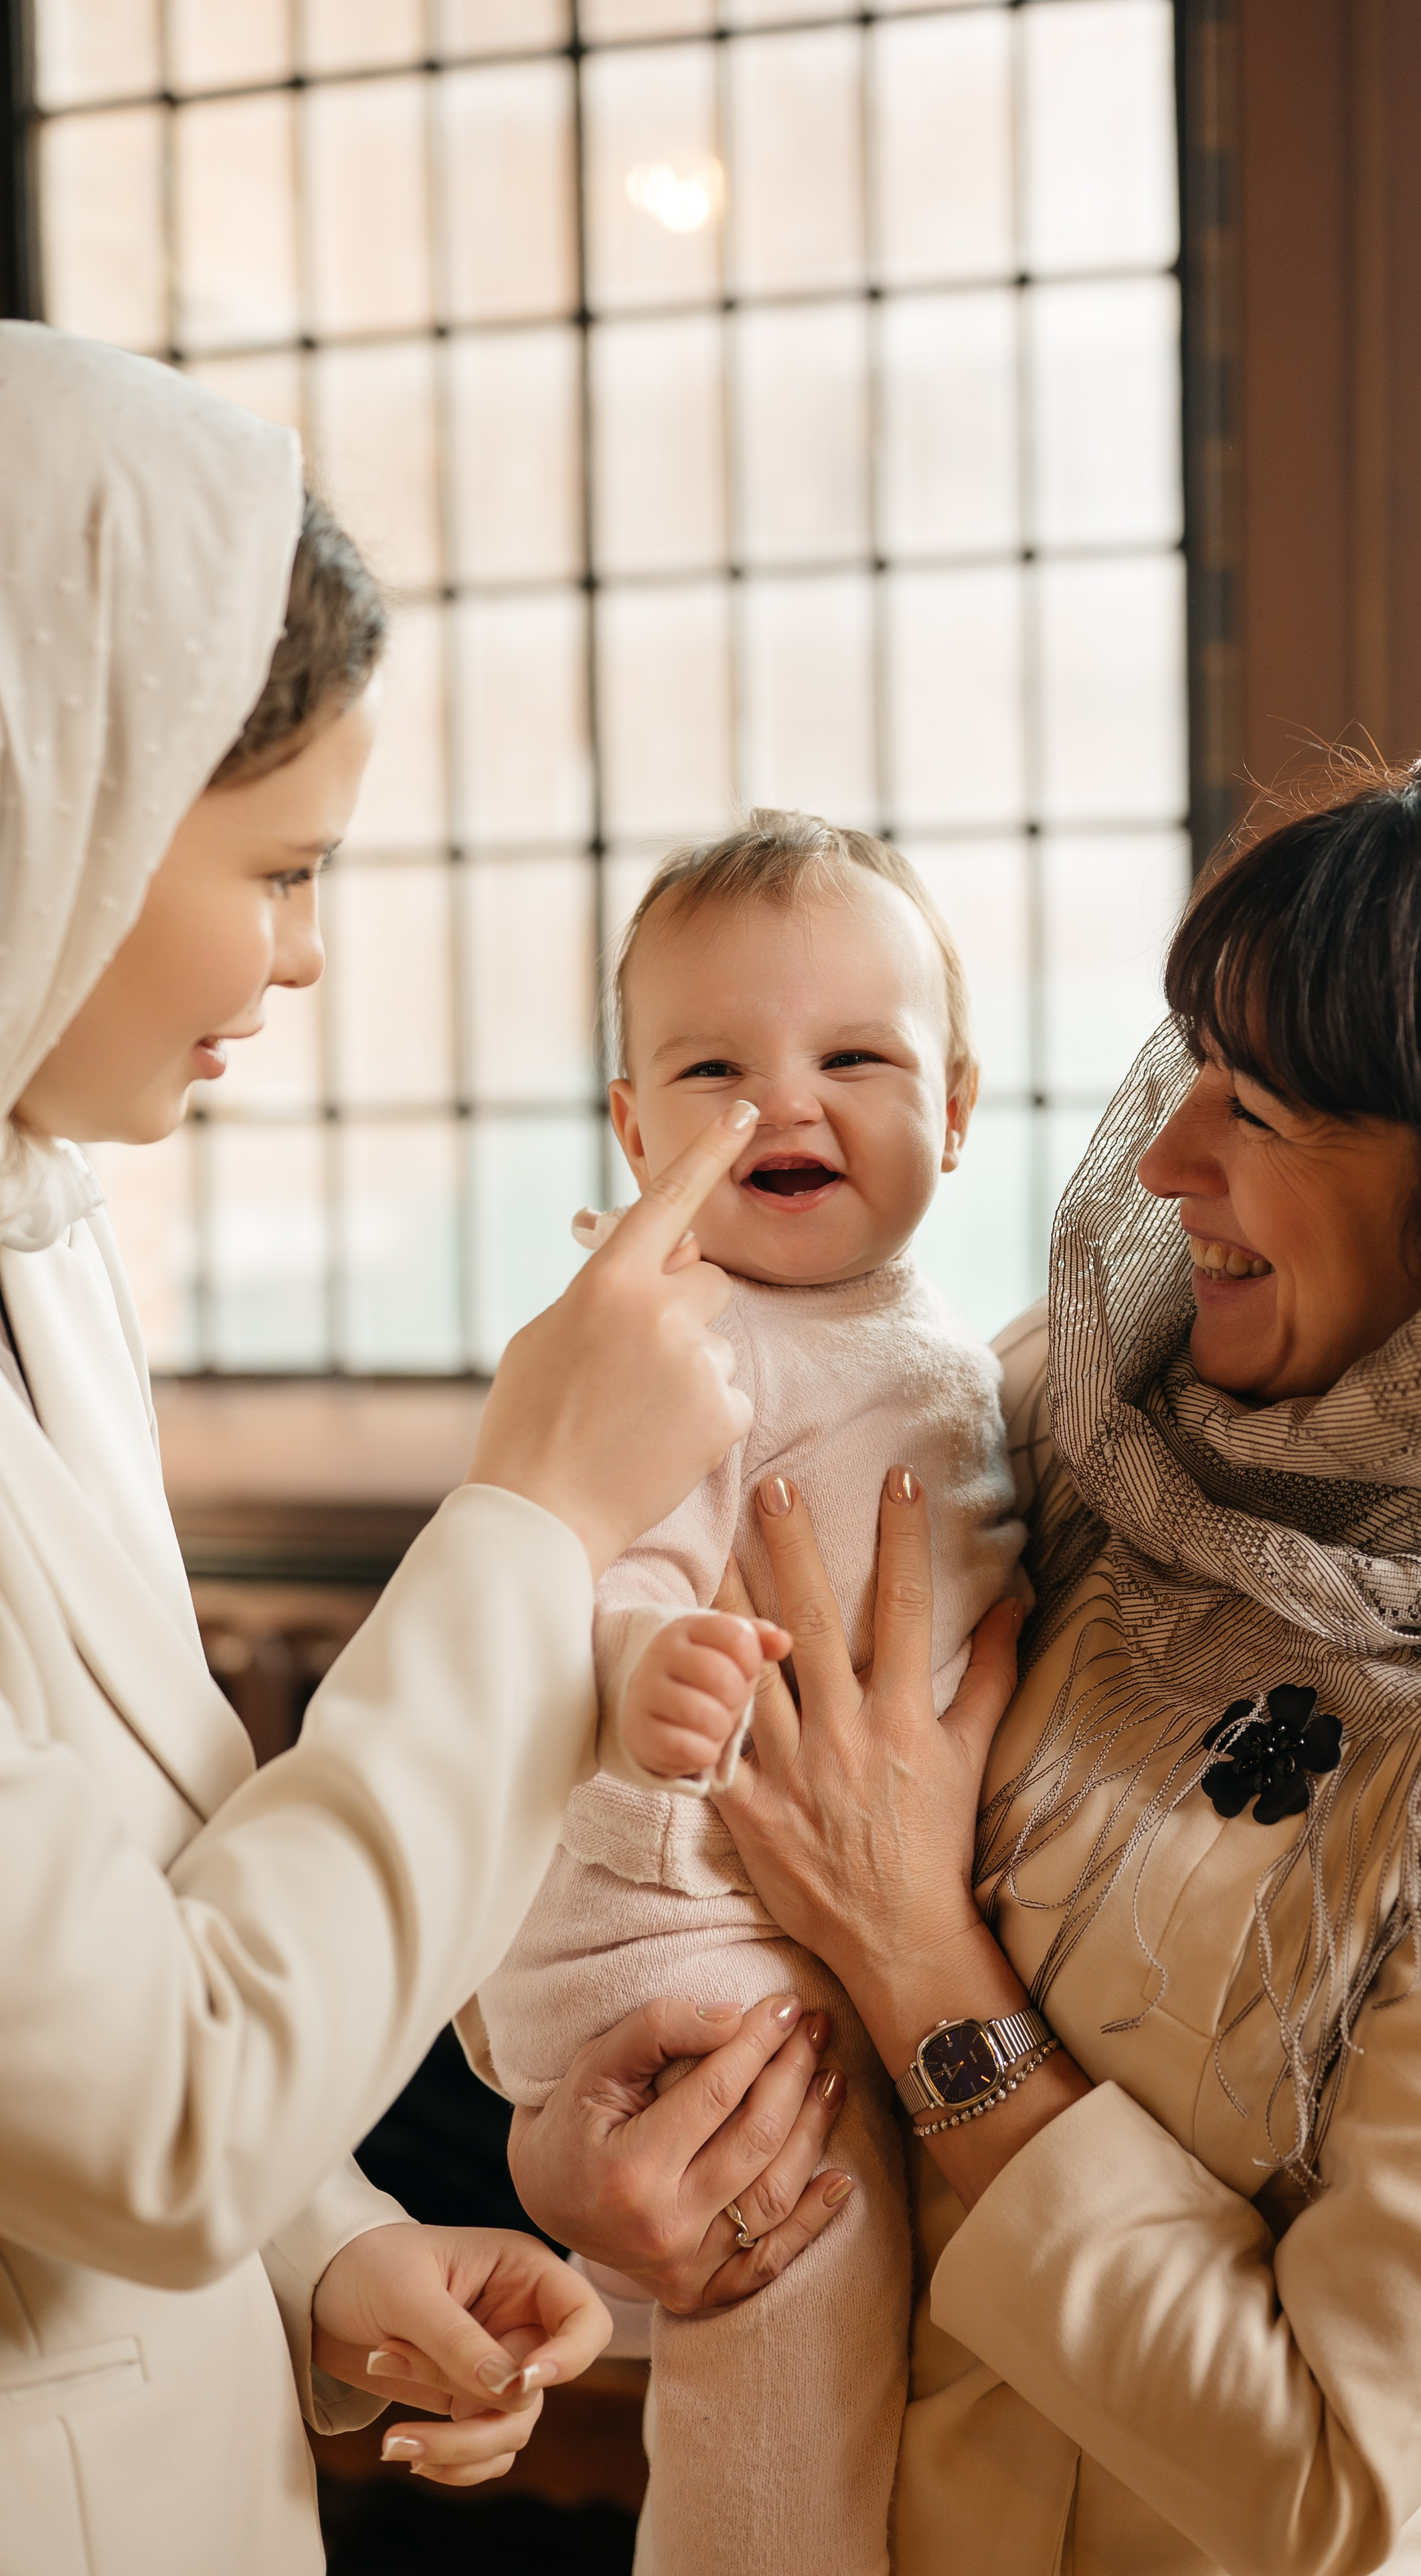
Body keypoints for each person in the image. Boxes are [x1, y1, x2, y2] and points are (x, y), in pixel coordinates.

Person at [514, 737, 1421, 2576]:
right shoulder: (1051, 1422)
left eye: (1268, 1106)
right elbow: (622, 1848)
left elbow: (1320, 2479)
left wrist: (919, 1964)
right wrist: (590, 2171)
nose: (1162, 1156)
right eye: (1194, 1069)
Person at [0, 322, 851, 2576]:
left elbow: (115, 1907)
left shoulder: (36, 1224)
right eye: (278, 869)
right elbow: (150, 2099)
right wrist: (538, 1513)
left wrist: (317, 2251)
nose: (297, 964)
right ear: (43, 797)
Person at [470, 812, 1026, 2576]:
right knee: (801, 2276)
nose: (785, 1105)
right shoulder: (676, 1335)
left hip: (824, 1917)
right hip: (675, 1929)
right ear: (637, 1134)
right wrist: (650, 1663)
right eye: (716, 1070)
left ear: (954, 1104)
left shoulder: (949, 1338)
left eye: (854, 1056)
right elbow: (593, 1566)